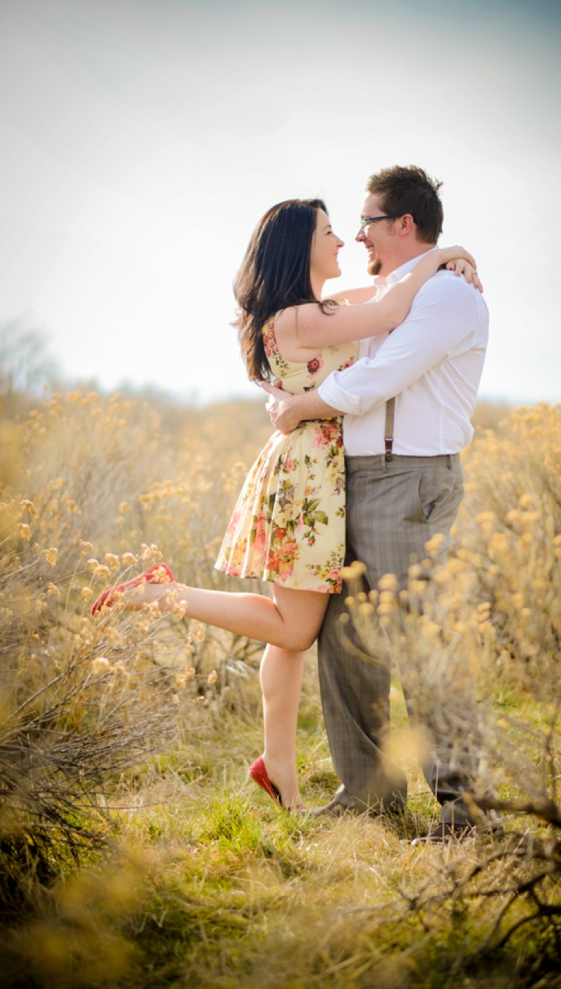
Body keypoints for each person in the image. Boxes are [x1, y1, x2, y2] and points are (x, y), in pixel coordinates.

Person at [90, 195, 479, 810]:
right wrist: (448, 255)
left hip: (319, 473)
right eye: (330, 232)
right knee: (296, 629)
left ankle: (280, 773)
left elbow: (381, 298)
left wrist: (432, 262)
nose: (344, 242)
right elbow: (390, 310)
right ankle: (164, 593)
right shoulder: (299, 320)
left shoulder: (311, 310)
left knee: (293, 635)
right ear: (300, 245)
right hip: (308, 479)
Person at [262, 166, 490, 842]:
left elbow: (379, 375)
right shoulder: (389, 290)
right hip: (350, 479)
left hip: (409, 478)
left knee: (414, 638)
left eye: (366, 220)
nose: (356, 233)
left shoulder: (449, 295)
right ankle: (368, 797)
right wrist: (284, 395)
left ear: (404, 225)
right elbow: (310, 345)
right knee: (344, 642)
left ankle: (461, 806)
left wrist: (301, 407)